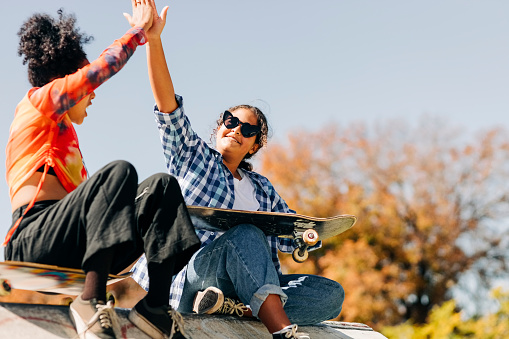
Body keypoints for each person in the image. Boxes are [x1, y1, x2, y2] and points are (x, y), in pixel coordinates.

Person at [130, 4, 345, 339]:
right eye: (230, 122)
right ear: (219, 127)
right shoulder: (193, 157)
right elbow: (168, 107)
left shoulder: (262, 190)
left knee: (330, 294)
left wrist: (309, 236)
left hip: (241, 289)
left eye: (246, 130)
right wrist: (154, 40)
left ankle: (236, 308)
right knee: (246, 234)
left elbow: (290, 235)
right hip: (198, 275)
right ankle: (282, 331)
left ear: (254, 145)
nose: (235, 129)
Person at [4, 1, 200, 338]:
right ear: (65, 82)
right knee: (119, 172)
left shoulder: (67, 140)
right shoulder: (37, 103)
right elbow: (98, 71)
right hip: (32, 239)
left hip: (73, 245)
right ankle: (89, 302)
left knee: (161, 188)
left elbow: (101, 212)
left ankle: (155, 308)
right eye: (83, 86)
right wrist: (137, 32)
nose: (91, 95)